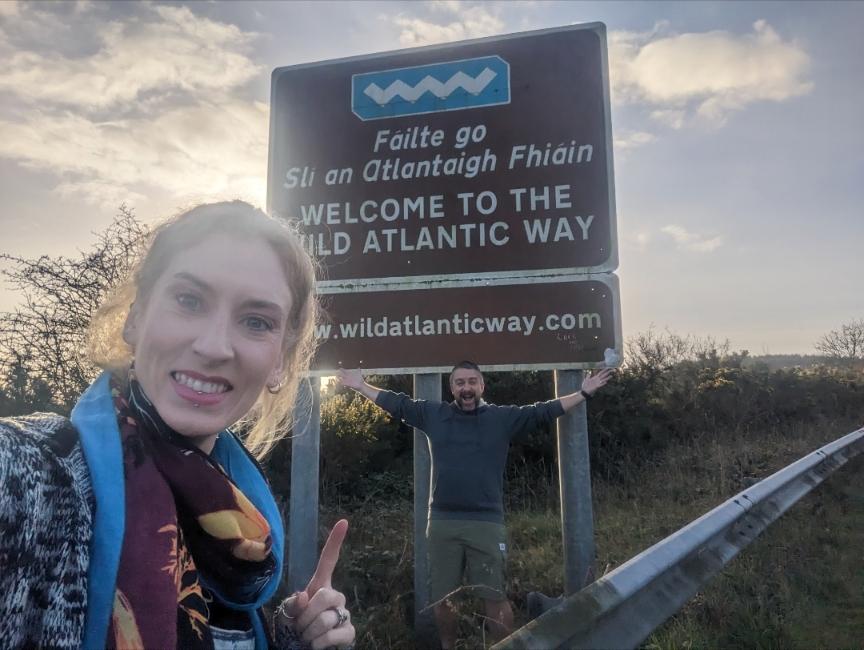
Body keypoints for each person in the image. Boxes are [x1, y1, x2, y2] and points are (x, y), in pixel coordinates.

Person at [0, 201, 355, 650]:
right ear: (135, 317)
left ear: (279, 363)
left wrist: (291, 637)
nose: (213, 346)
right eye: (189, 300)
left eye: (255, 321)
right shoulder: (30, 473)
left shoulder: (240, 529)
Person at [338, 361, 611, 648]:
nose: (466, 388)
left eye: (471, 382)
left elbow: (544, 410)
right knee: (442, 599)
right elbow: (397, 404)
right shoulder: (435, 414)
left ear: (482, 386)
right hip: (442, 522)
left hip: (486, 522)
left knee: (493, 596)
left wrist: (584, 392)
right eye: (459, 383)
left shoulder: (501, 418)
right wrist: (360, 385)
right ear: (452, 387)